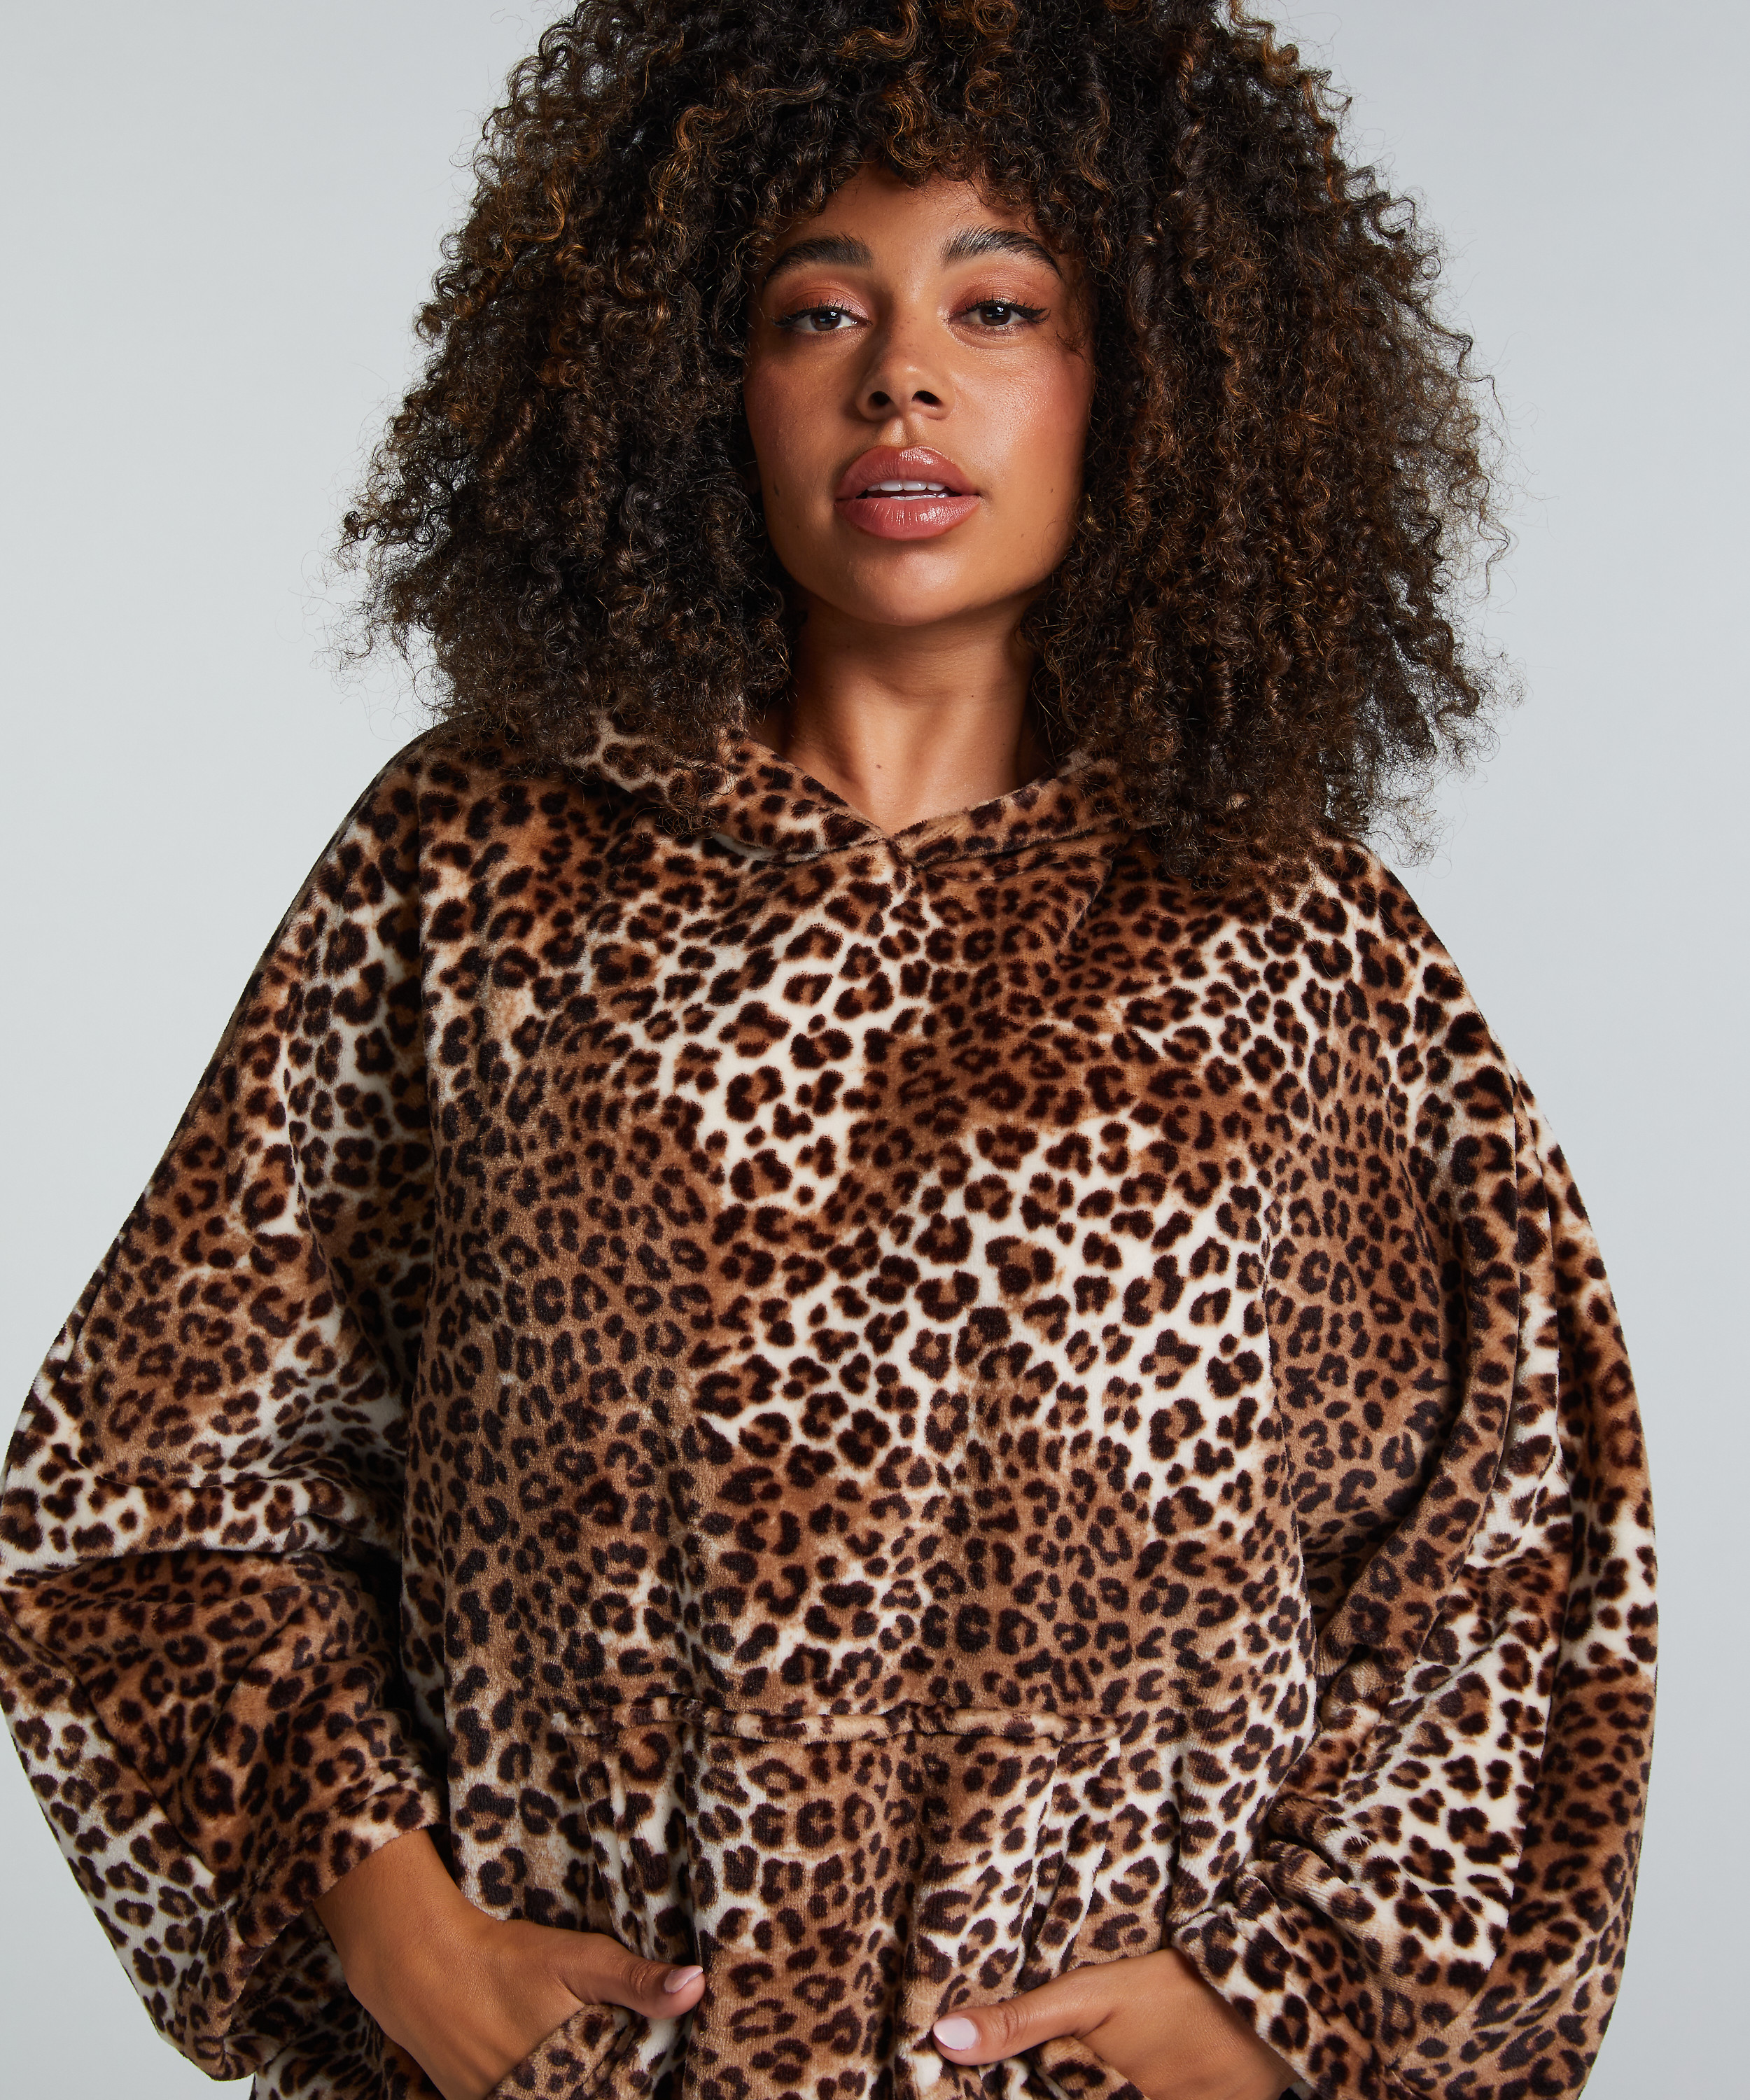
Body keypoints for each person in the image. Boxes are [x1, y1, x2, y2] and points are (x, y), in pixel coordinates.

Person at [0, 3, 1656, 2097]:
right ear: (700, 380)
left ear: (1146, 382)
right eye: (818, 311)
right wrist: (398, 1928)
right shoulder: (479, 866)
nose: (904, 377)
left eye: (999, 305)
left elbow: (1517, 1561)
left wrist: (1286, 2006)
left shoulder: (1293, 935)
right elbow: (144, 1491)